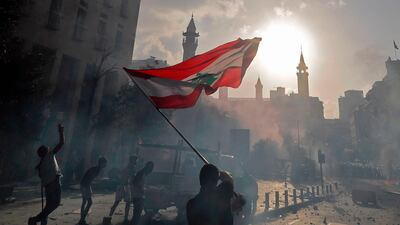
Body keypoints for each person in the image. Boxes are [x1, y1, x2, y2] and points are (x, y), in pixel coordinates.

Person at [28, 124, 65, 225]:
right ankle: (34, 219)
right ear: (46, 151)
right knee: (55, 204)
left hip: (48, 185)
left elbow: (41, 176)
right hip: (54, 183)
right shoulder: (49, 155)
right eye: (48, 148)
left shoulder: (42, 163)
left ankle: (40, 222)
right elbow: (61, 143)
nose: (49, 149)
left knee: (48, 206)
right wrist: (61, 131)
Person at [107, 156, 138, 223]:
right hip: (123, 186)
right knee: (122, 203)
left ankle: (110, 217)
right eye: (135, 160)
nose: (136, 161)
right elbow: (131, 177)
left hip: (124, 185)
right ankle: (113, 218)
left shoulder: (129, 166)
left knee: (124, 203)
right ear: (132, 160)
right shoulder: (131, 167)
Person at [78, 157, 108, 225]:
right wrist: (99, 181)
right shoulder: (96, 169)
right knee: (89, 202)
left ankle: (82, 219)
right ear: (101, 163)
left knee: (84, 202)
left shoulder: (97, 169)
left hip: (84, 184)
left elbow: (90, 177)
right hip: (85, 185)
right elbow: (90, 177)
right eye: (105, 164)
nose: (105, 165)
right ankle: (82, 219)